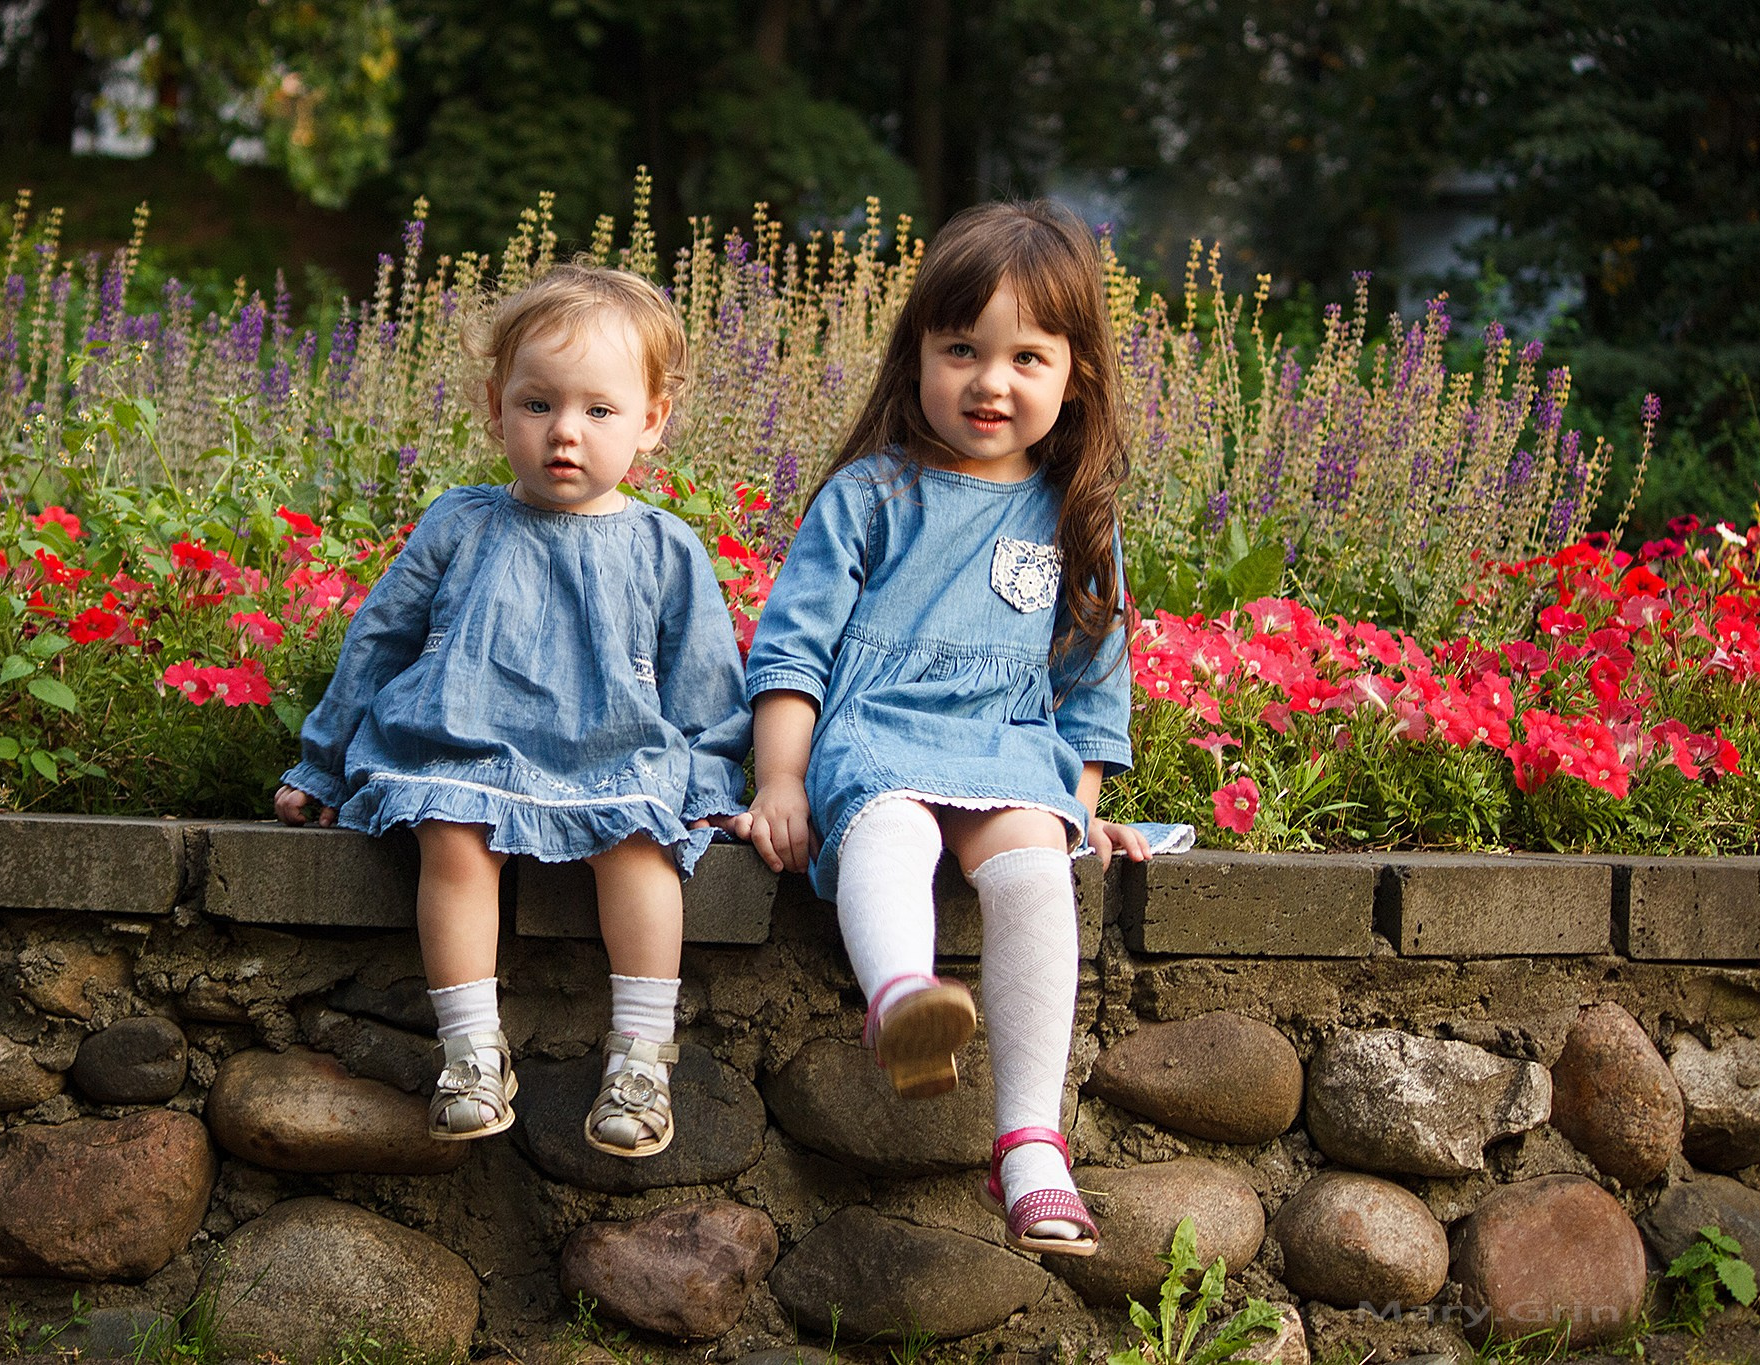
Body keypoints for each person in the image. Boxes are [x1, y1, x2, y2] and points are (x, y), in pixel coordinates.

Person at [733, 201, 1153, 1256]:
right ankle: (902, 1000)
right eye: (960, 349)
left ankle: (1030, 1144)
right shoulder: (871, 497)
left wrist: (1077, 808)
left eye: (1025, 357)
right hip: (878, 735)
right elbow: (793, 651)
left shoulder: (1075, 517)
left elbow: (1090, 689)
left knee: (1032, 868)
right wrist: (780, 779)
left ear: (1074, 376)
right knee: (894, 830)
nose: (988, 381)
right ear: (915, 354)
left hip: (1008, 747)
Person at [275, 263, 750, 1159]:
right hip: (464, 744)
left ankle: (640, 1055)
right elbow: (378, 640)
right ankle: (470, 1050)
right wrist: (323, 763)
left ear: (651, 421)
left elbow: (706, 683)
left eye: (599, 410)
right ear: (497, 408)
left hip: (610, 754)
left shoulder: (662, 546)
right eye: (537, 404)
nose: (564, 431)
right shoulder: (461, 524)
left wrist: (712, 790)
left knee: (641, 846)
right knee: (452, 839)